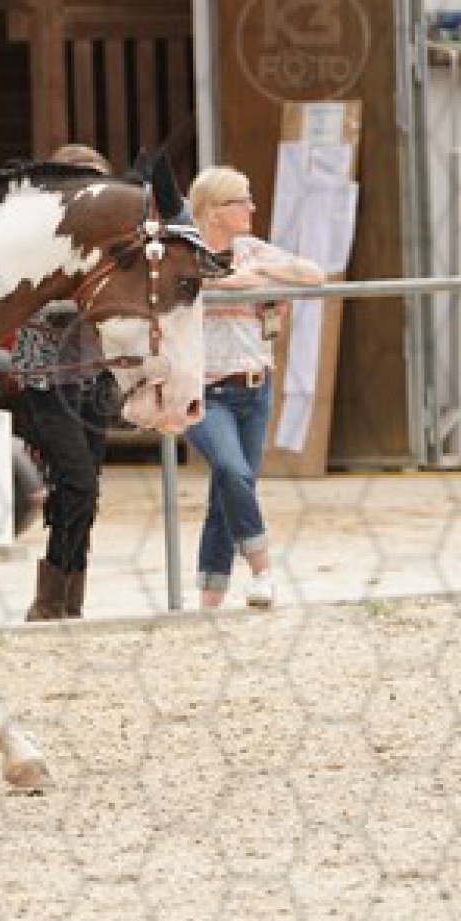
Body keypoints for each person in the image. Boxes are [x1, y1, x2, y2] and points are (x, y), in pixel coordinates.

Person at [183, 165, 324, 609]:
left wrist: (263, 270)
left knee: (229, 490)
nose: (252, 207)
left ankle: (210, 598)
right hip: (204, 389)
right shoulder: (185, 252)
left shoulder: (251, 249)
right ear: (213, 211)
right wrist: (227, 283)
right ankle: (263, 569)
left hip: (255, 386)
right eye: (241, 200)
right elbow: (179, 285)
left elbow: (314, 273)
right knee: (232, 471)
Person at [11, 143, 118, 622]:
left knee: (82, 490)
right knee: (77, 482)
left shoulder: (111, 240)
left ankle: (66, 597)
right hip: (46, 375)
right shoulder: (39, 236)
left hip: (94, 372)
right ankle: (50, 595)